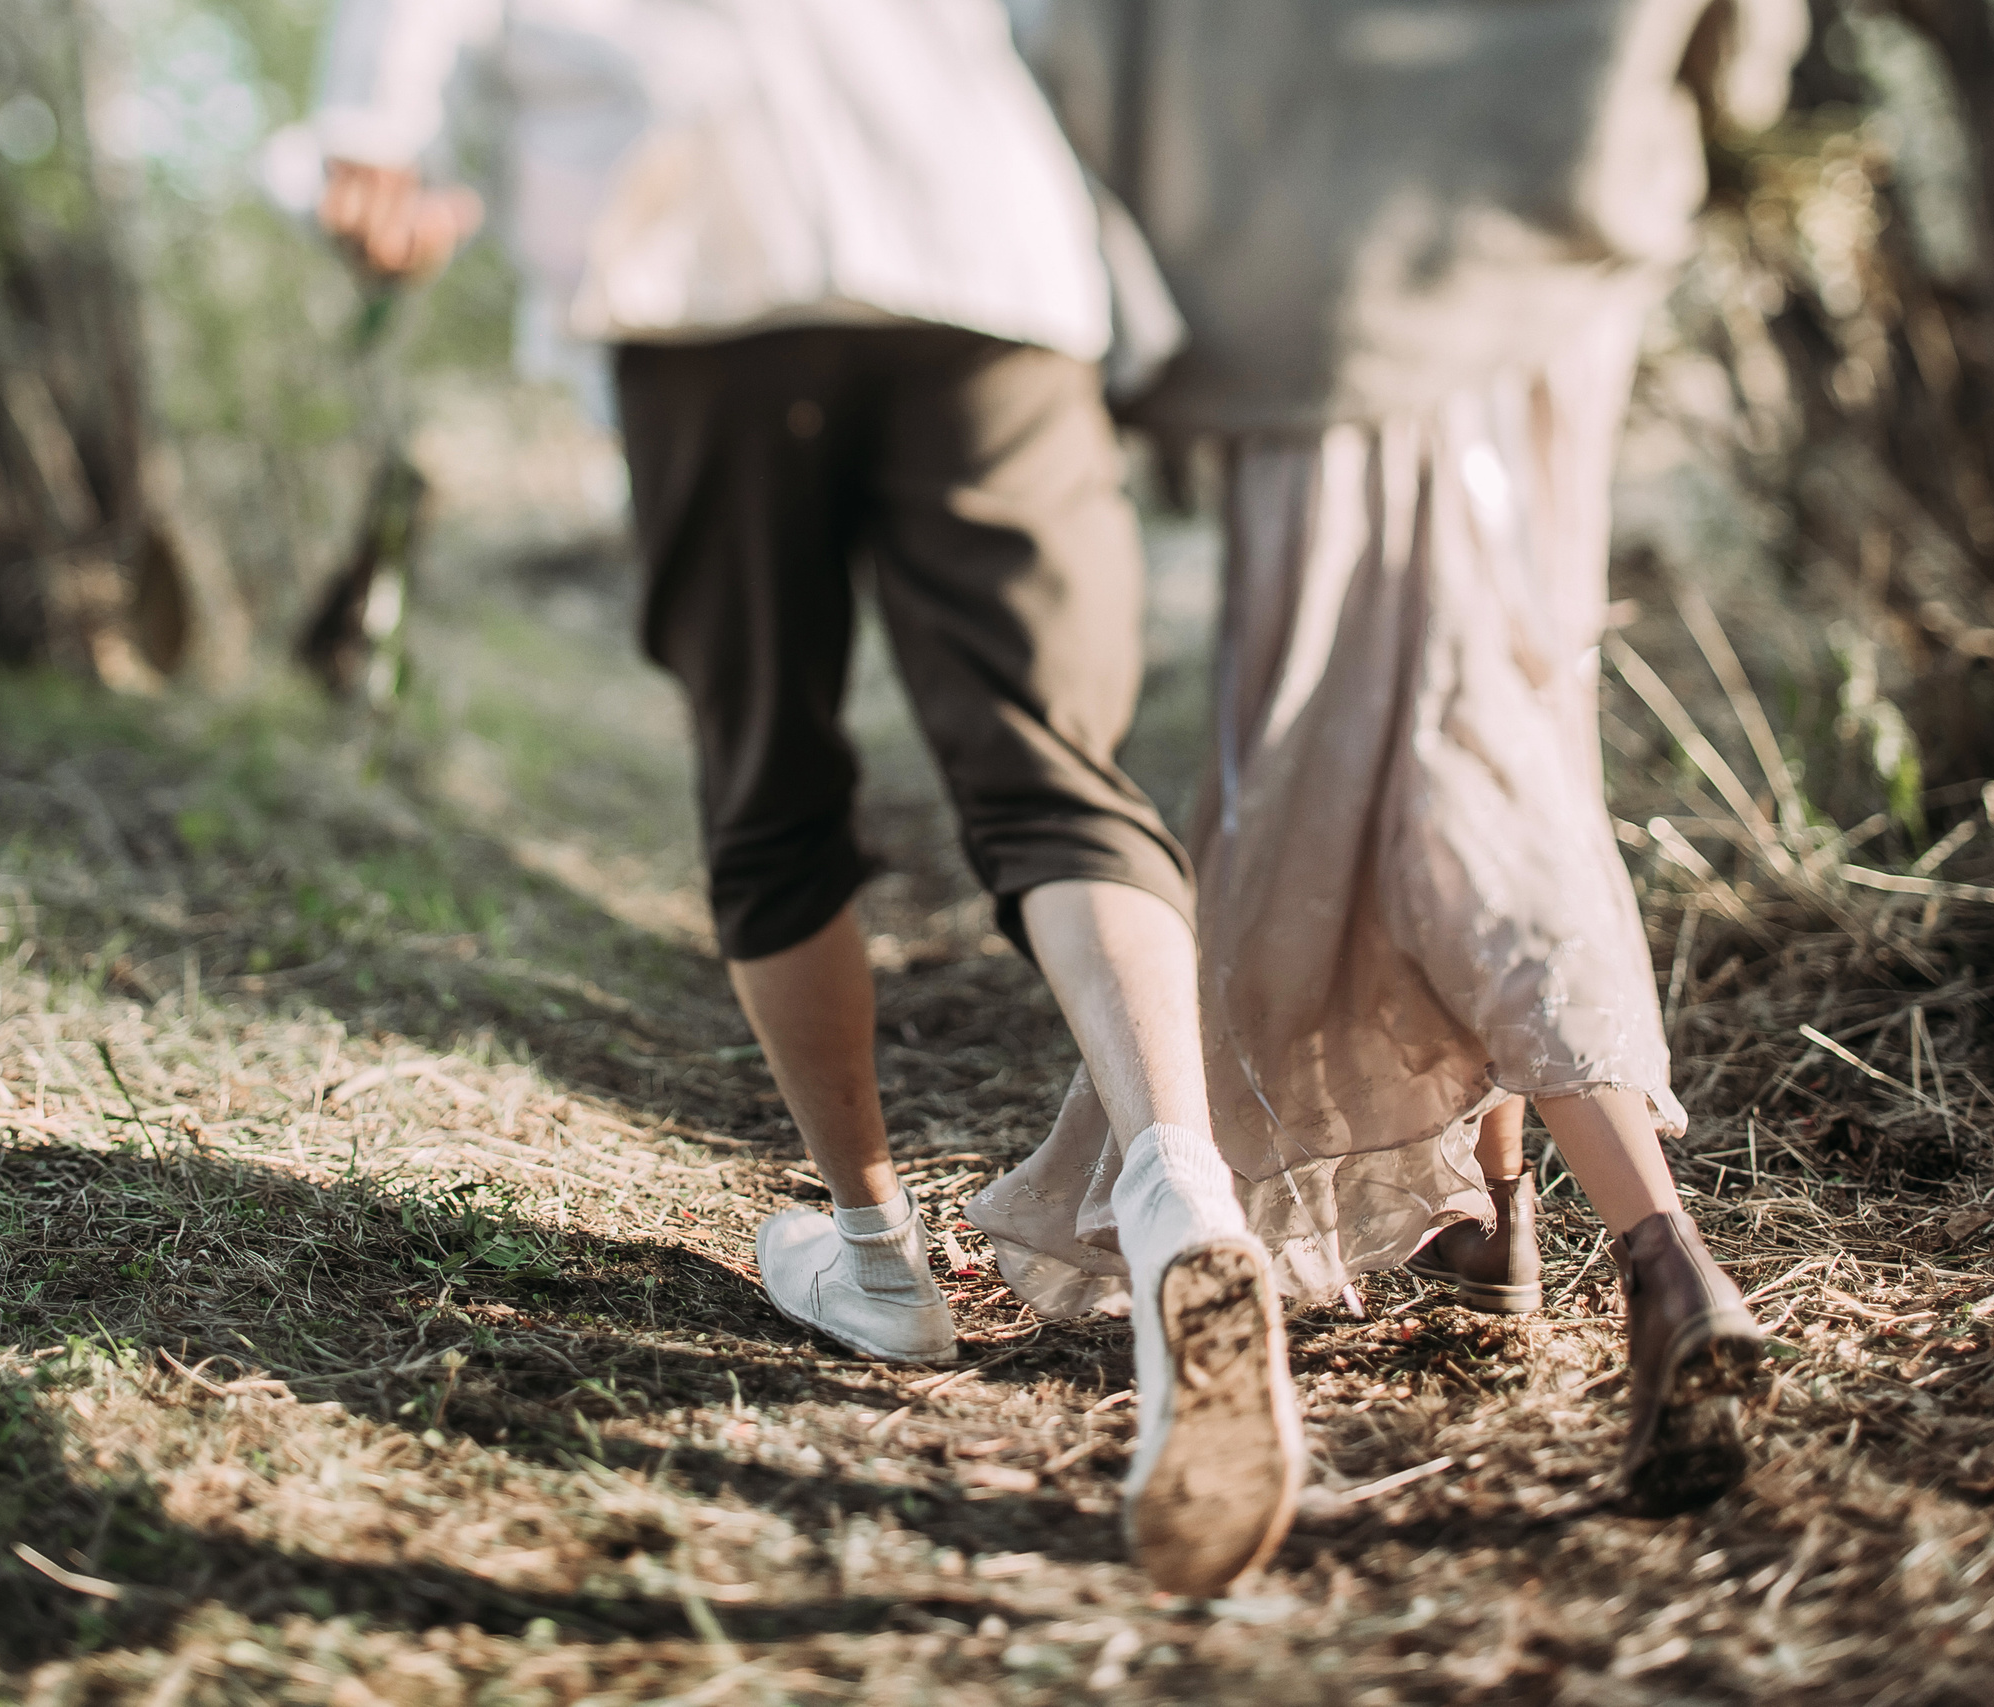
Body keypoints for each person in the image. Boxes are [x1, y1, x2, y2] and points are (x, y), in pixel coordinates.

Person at [300, 0, 1300, 1593]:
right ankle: (1181, 1188)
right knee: (1051, 768)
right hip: (983, 247)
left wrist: (371, 138)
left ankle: (880, 1259)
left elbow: (396, 65)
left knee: (767, 768)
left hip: (701, 246)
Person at [972, 0, 1805, 1511]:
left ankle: (1664, 1254)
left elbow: (1083, 50)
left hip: (1327, 286)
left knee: (1393, 757)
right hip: (1549, 259)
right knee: (1489, 725)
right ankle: (1494, 1218)